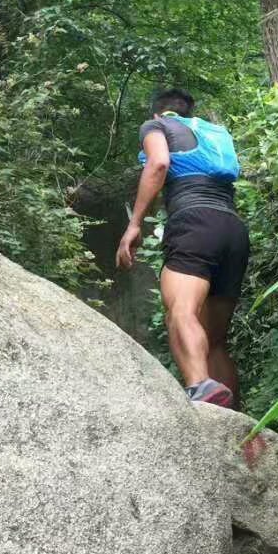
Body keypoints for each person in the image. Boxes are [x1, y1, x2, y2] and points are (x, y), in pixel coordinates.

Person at [115, 87, 249, 410]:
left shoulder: (157, 127)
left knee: (181, 311)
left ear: (157, 114)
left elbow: (159, 163)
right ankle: (231, 420)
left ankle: (200, 389)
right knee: (215, 340)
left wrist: (134, 225)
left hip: (194, 223)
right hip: (233, 228)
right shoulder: (211, 133)